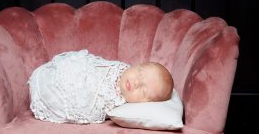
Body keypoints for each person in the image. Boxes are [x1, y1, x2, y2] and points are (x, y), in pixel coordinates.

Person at [28, 49, 173, 124]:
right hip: (69, 72)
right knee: (71, 67)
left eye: (143, 90)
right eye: (140, 74)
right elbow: (93, 64)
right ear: (137, 65)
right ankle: (46, 81)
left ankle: (45, 93)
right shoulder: (120, 68)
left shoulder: (121, 105)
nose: (136, 83)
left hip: (65, 97)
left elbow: (91, 110)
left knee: (72, 99)